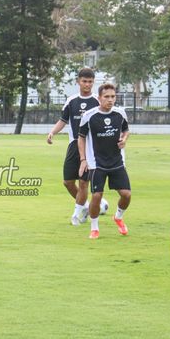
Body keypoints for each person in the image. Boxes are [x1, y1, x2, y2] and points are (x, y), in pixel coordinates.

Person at [78, 83, 131, 240]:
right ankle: (94, 228)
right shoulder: (89, 116)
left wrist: (124, 139)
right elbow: (81, 138)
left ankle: (118, 217)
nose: (110, 100)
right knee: (96, 196)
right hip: (96, 163)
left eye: (113, 97)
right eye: (106, 97)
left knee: (126, 195)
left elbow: (126, 130)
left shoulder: (120, 113)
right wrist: (83, 159)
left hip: (117, 161)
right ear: (99, 98)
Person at [47, 68, 99, 225]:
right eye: (84, 81)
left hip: (90, 147)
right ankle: (89, 206)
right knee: (68, 182)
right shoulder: (71, 100)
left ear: (93, 82)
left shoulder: (97, 101)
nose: (87, 84)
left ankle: (77, 215)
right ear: (78, 82)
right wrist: (52, 132)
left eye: (90, 82)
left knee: (84, 183)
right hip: (73, 144)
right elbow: (63, 120)